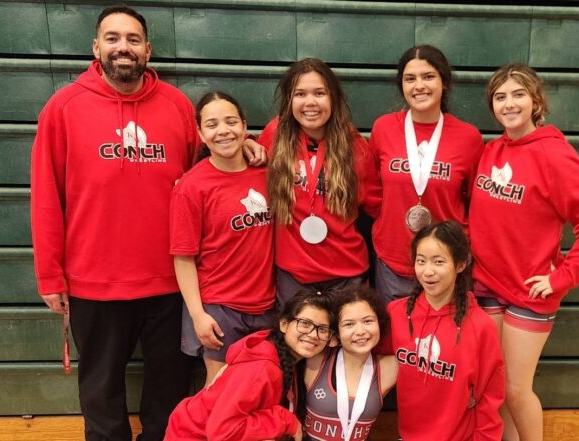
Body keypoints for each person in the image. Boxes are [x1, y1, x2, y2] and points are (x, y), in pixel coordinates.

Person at [29, 6, 265, 440]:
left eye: (133, 39)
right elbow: (46, 197)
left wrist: (248, 147)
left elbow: (212, 165)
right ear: (96, 47)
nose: (123, 47)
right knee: (100, 389)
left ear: (148, 49)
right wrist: (50, 274)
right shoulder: (63, 108)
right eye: (113, 38)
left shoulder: (176, 106)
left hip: (168, 282)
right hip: (93, 280)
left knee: (169, 387)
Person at [469, 63, 579, 441]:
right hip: (487, 286)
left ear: (536, 102)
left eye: (518, 94)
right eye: (500, 97)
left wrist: (562, 276)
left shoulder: (554, 154)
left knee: (517, 389)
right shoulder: (491, 151)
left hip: (528, 292)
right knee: (497, 390)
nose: (509, 103)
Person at [170, 91, 276, 385]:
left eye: (231, 122)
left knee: (262, 385)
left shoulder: (266, 173)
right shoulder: (191, 187)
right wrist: (197, 315)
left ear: (244, 126)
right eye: (212, 125)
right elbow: (183, 257)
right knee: (221, 388)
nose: (223, 131)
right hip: (220, 306)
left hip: (267, 304)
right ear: (201, 134)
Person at [258, 58, 381, 306]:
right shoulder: (274, 136)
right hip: (293, 277)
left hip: (346, 276)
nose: (310, 102)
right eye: (300, 94)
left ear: (333, 99)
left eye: (320, 93)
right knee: (297, 344)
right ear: (288, 100)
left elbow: (377, 207)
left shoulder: (355, 146)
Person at [368, 45, 484, 304]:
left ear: (444, 82)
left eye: (428, 76)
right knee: (395, 339)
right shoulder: (384, 128)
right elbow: (371, 187)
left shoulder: (468, 137)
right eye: (410, 79)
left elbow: (476, 202)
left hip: (447, 262)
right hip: (394, 260)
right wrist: (390, 216)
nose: (419, 85)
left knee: (446, 339)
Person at [385, 221, 504, 441]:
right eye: (421, 261)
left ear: (460, 265)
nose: (428, 271)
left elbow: (490, 395)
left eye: (438, 262)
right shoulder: (396, 314)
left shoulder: (481, 326)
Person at [164, 290, 334, 440]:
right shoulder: (262, 367)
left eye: (322, 329)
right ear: (284, 324)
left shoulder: (284, 355)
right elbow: (223, 432)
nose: (313, 334)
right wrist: (284, 420)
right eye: (305, 324)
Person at [303, 287, 397, 441]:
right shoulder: (318, 358)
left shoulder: (389, 367)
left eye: (368, 321)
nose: (360, 331)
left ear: (380, 323)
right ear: (336, 333)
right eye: (349, 324)